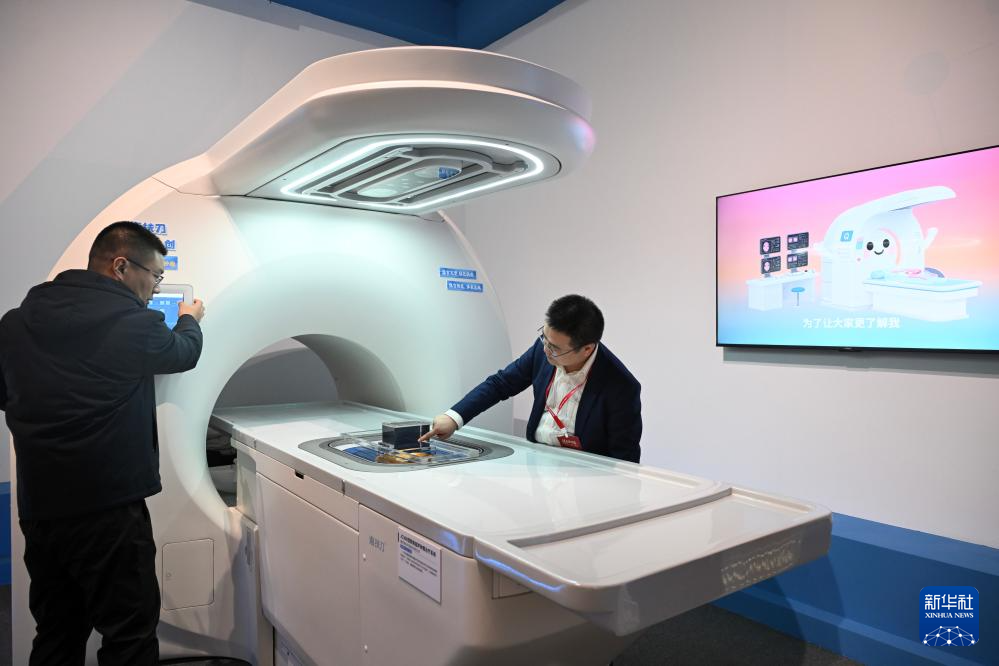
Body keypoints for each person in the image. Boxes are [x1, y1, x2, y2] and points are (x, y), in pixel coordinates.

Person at [0, 221, 206, 665]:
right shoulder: (133, 324)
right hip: (109, 510)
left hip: (41, 509)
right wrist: (190, 317)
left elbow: (5, 394)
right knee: (129, 633)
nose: (154, 289)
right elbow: (183, 352)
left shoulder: (15, 324)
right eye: (155, 276)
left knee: (57, 629)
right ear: (121, 266)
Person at [421, 294, 642, 462]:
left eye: (555, 348)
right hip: (535, 460)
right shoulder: (543, 349)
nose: (546, 349)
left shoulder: (621, 387)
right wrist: (454, 417)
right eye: (544, 337)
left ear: (587, 349)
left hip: (583, 475)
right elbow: (501, 384)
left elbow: (624, 458)